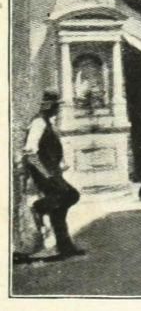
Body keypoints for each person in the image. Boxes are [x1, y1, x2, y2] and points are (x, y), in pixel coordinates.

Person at [23, 90, 85, 259]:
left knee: (63, 204)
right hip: (44, 173)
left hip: (52, 172)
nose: (57, 109)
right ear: (48, 106)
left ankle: (65, 247)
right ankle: (39, 207)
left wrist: (59, 167)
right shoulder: (38, 123)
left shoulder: (47, 123)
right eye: (56, 106)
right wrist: (46, 175)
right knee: (68, 196)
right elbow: (30, 154)